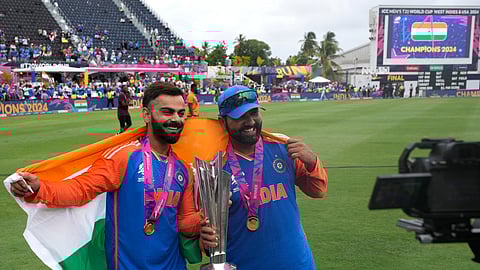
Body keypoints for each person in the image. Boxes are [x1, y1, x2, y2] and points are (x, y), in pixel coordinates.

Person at [10, 82, 201, 270]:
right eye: (167, 112)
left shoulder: (182, 169)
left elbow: (185, 222)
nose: (176, 119)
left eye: (181, 113)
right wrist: (40, 188)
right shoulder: (124, 157)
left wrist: (209, 215)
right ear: (146, 115)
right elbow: (80, 190)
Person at [200, 85, 328, 269]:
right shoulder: (214, 165)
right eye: (240, 117)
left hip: (298, 263)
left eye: (254, 113)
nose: (250, 121)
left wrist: (312, 162)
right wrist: (204, 236)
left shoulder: (283, 147)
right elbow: (206, 236)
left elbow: (318, 191)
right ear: (223, 122)